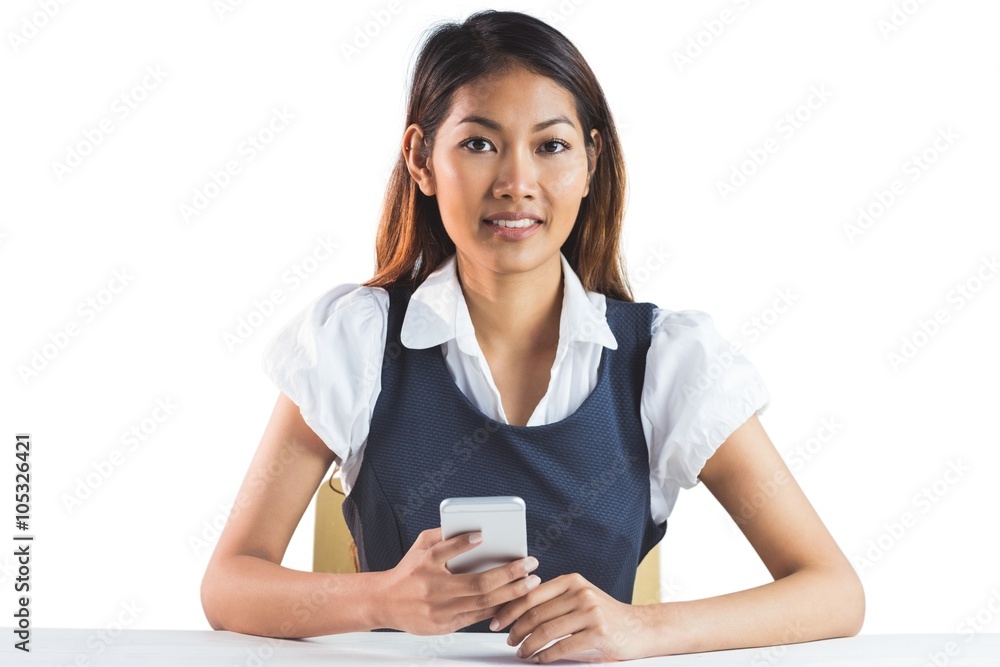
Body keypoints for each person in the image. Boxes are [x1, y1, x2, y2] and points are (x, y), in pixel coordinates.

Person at [200, 9, 864, 662]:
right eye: (479, 144)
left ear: (591, 161)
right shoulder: (356, 341)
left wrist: (643, 628)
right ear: (421, 160)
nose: (517, 184)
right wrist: (382, 599)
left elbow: (832, 590)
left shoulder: (665, 360)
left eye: (550, 146)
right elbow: (230, 582)